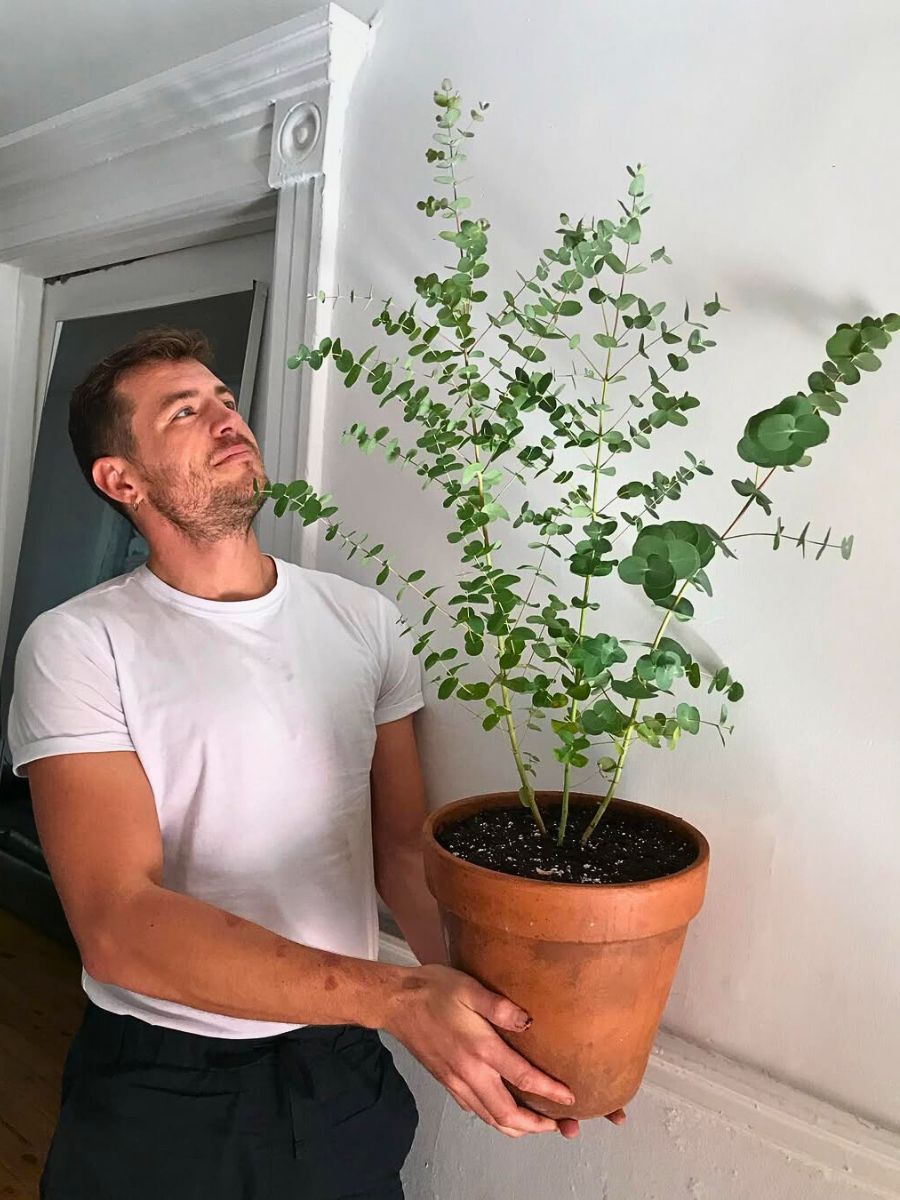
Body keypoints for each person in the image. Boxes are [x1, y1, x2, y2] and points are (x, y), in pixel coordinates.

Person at [7, 326, 624, 1200]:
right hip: (167, 1079)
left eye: (225, 398)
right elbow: (118, 925)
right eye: (186, 410)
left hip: (340, 1062)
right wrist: (398, 998)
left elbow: (404, 851)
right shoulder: (79, 643)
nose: (228, 418)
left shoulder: (363, 621)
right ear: (122, 479)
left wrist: (515, 1027)